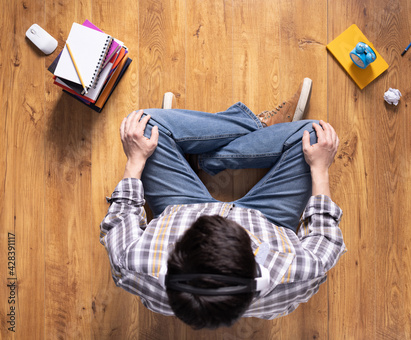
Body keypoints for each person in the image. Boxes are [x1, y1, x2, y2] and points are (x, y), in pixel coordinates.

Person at [99, 78, 346, 329]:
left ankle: (202, 152)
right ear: (254, 258)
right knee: (317, 137)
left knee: (144, 125)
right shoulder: (298, 273)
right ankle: (243, 133)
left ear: (175, 254)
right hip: (270, 218)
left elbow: (120, 217)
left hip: (180, 206)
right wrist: (320, 169)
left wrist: (135, 159)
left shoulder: (131, 262)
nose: (221, 216)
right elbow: (325, 237)